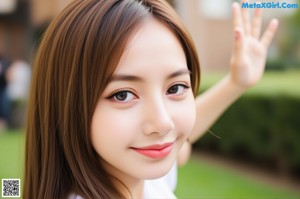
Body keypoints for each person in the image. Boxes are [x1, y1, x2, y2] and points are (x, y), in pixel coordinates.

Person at [23, 0, 278, 198]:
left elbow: (183, 146)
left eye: (176, 88)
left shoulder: (137, 176)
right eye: (123, 95)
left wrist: (235, 84)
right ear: (67, 104)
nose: (163, 123)